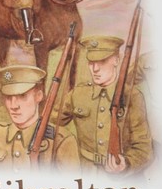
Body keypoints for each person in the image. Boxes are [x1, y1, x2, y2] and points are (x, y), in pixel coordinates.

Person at [0, 65, 78, 172]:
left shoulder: (60, 141)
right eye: (8, 97)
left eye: (22, 96)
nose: (13, 105)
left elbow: (71, 188)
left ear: (38, 96)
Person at [58, 36, 153, 174]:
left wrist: (126, 164)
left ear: (117, 60)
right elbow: (51, 123)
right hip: (85, 173)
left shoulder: (132, 96)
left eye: (102, 61)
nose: (95, 69)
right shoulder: (77, 94)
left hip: (121, 179)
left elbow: (144, 149)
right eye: (91, 62)